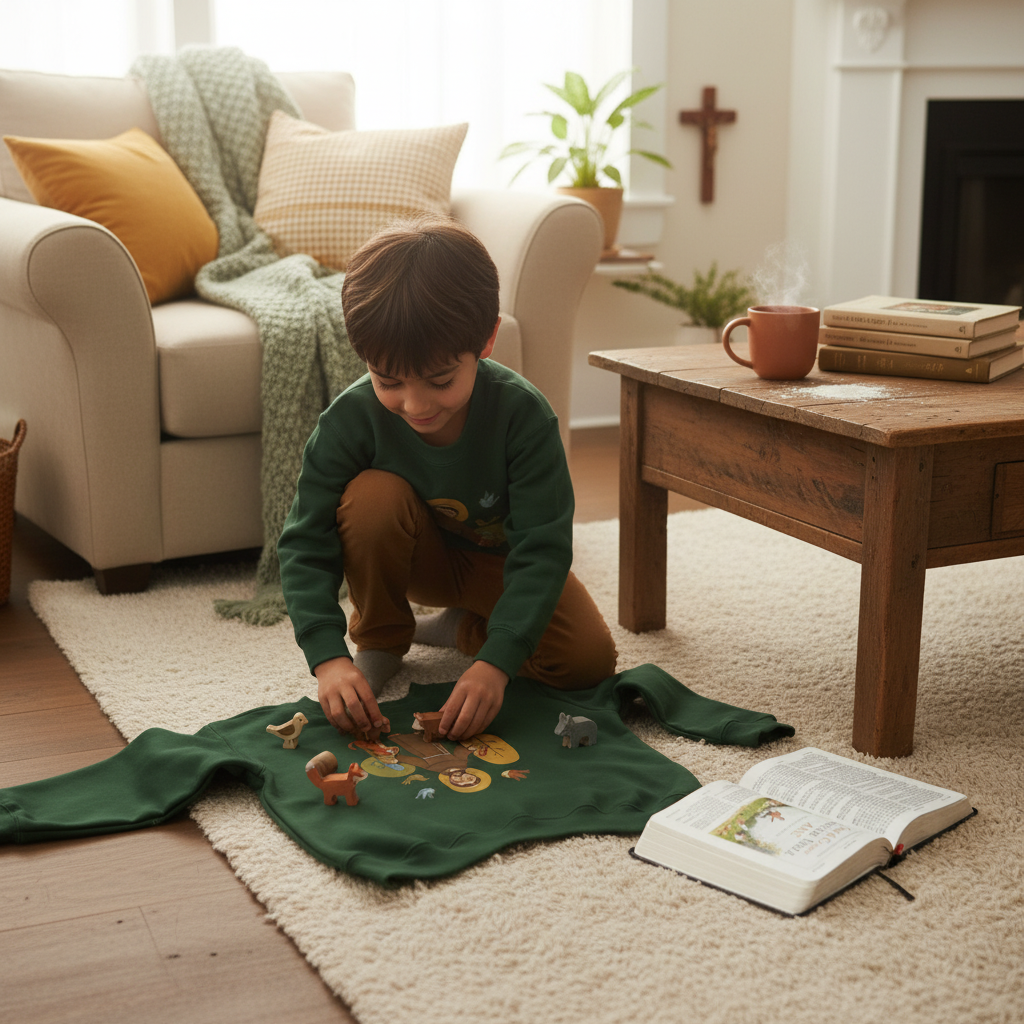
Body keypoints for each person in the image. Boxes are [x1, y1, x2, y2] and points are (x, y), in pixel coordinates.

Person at [278, 216, 617, 742]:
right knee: (371, 497)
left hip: (499, 565)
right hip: (415, 557)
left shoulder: (523, 417)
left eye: (440, 381)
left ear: (486, 341)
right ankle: (384, 639)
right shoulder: (348, 420)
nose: (414, 405)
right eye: (388, 381)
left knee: (587, 661)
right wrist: (327, 658)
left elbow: (543, 551)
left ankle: (459, 628)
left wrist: (495, 663)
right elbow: (305, 542)